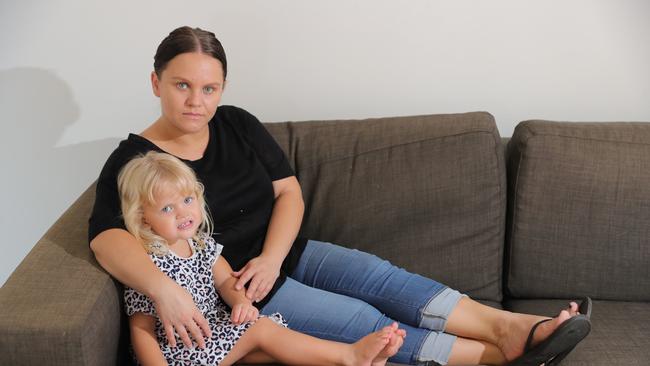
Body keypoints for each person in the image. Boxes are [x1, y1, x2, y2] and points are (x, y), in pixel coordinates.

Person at [89, 26, 591, 365]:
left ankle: (512, 326)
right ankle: (498, 355)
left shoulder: (237, 124)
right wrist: (164, 289)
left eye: (210, 88)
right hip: (240, 286)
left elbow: (288, 192)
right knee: (364, 322)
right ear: (156, 82)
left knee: (387, 280)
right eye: (182, 85)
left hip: (286, 253)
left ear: (223, 88)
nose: (197, 102)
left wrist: (272, 256)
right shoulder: (135, 161)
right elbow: (107, 238)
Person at [117, 151, 405, 365]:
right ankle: (350, 356)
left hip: (214, 334)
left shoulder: (200, 243)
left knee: (273, 344)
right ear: (143, 218)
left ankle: (362, 361)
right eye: (168, 208)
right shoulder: (148, 262)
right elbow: (141, 328)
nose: (182, 213)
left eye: (187, 200)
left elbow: (226, 281)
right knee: (262, 330)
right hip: (181, 353)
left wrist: (241, 303)